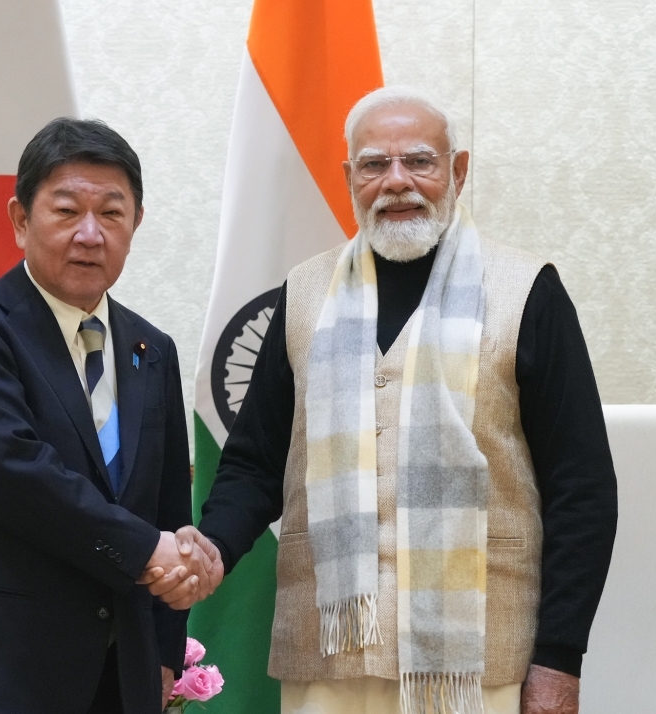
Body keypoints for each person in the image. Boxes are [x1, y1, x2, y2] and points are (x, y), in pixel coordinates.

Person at [166, 87, 618, 714]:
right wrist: (212, 546)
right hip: (329, 656)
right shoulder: (302, 293)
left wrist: (560, 660)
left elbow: (583, 491)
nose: (397, 182)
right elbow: (255, 464)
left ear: (458, 171)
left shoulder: (527, 292)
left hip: (477, 665)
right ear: (351, 178)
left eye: (420, 162)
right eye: (375, 165)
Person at [0, 117, 215, 714]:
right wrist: (150, 550)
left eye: (112, 214)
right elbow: (13, 474)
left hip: (122, 679)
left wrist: (165, 650)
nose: (90, 234)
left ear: (136, 224)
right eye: (67, 211)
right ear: (20, 220)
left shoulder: (152, 349)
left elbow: (167, 503)